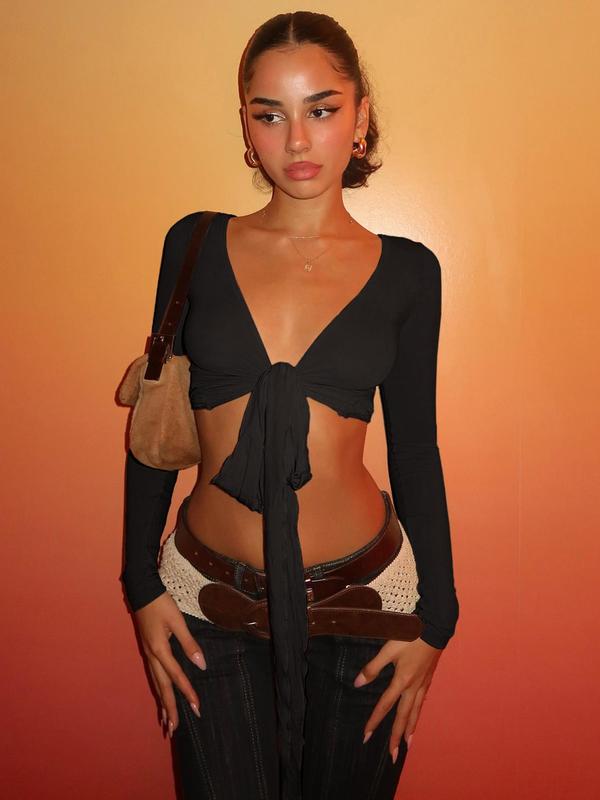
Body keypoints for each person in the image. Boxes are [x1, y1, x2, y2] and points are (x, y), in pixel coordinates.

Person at [121, 10, 459, 800]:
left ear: (360, 117)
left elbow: (416, 451)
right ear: (246, 125)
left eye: (322, 109)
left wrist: (438, 620)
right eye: (270, 114)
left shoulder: (410, 272)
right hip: (207, 603)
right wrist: (139, 585)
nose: (297, 140)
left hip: (366, 606)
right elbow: (157, 424)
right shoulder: (194, 244)